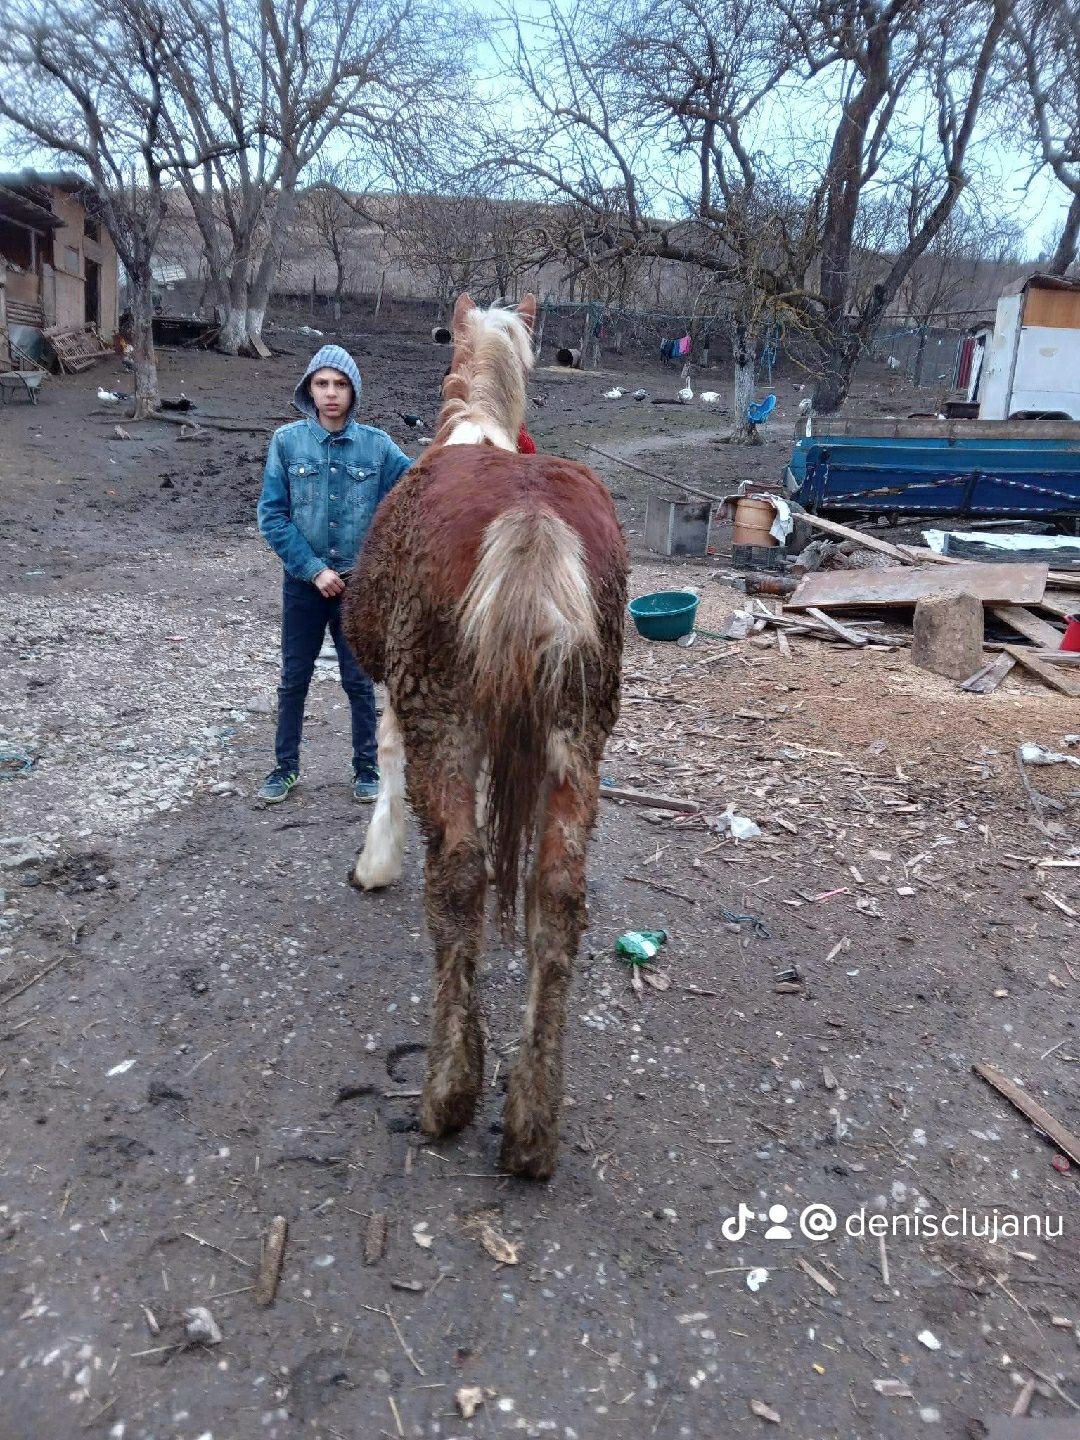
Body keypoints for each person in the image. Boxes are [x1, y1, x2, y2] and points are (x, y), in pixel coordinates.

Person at [255, 345, 411, 804]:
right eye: (322, 384)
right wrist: (313, 569)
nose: (330, 393)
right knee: (294, 677)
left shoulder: (378, 446)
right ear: (309, 389)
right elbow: (273, 516)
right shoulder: (286, 443)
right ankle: (285, 767)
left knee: (358, 680)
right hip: (304, 586)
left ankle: (366, 769)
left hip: (357, 589)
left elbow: (416, 487)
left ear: (353, 391)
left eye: (340, 384)